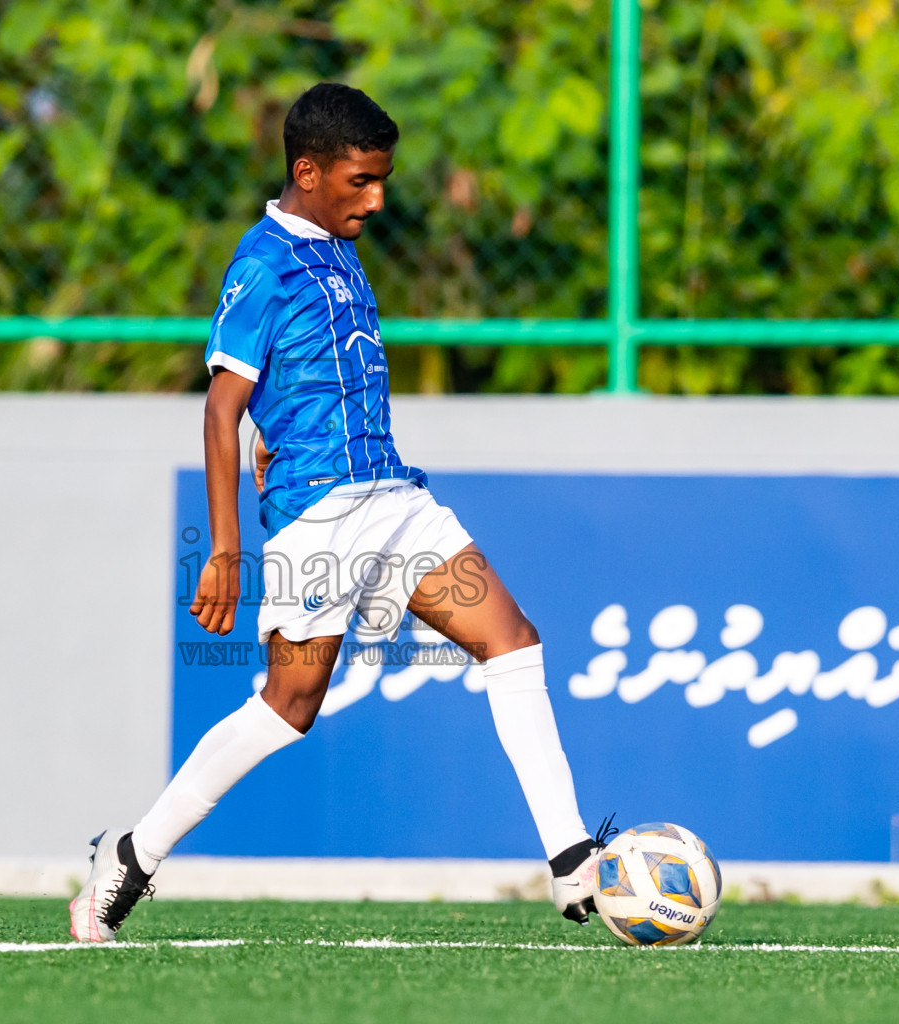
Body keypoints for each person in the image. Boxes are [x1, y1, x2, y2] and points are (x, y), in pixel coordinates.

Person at [70, 83, 613, 943]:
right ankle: (131, 858)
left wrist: (274, 426)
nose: (378, 199)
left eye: (383, 180)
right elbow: (220, 406)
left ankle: (572, 863)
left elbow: (300, 373)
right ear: (308, 171)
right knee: (289, 705)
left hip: (395, 498)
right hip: (318, 518)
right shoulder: (262, 261)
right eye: (362, 181)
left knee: (511, 644)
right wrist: (224, 550)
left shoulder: (336, 241)